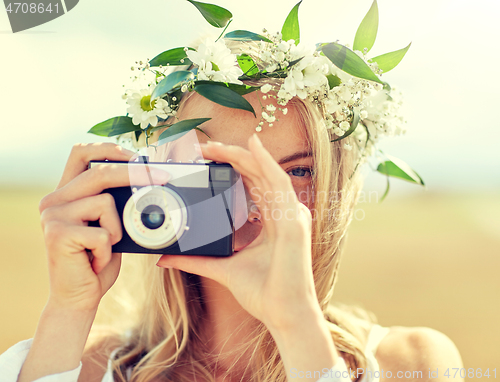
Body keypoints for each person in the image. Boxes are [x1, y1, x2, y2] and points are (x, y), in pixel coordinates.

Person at [0, 2, 463, 382]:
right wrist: (67, 309)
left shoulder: (412, 363)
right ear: (156, 179)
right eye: (214, 166)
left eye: (297, 172)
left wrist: (296, 325)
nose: (255, 197)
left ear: (338, 190)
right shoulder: (82, 364)